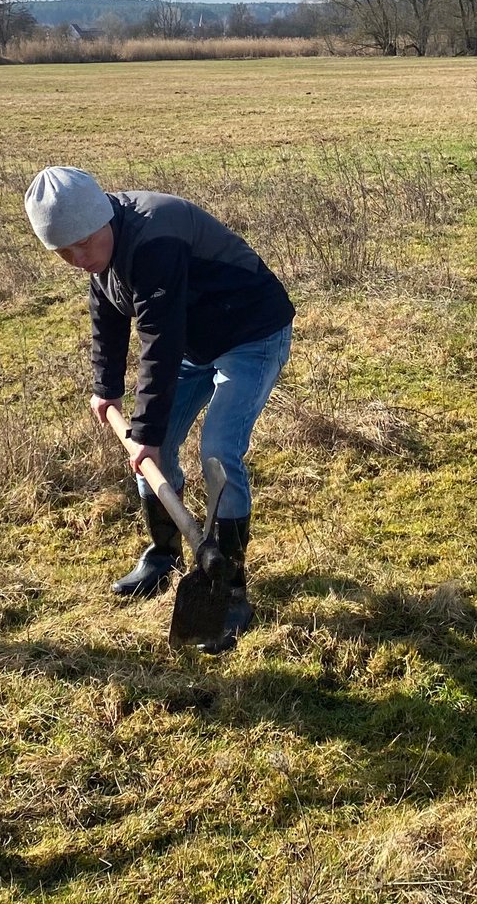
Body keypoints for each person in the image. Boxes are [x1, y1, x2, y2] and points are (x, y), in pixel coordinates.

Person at [24, 167, 294, 654]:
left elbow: (159, 342)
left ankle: (230, 586)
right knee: (156, 451)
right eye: (64, 252)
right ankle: (165, 552)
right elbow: (107, 312)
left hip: (250, 334)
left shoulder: (156, 235)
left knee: (218, 449)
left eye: (84, 244)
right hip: (196, 340)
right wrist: (107, 390)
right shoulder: (100, 249)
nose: (79, 258)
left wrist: (144, 429)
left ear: (103, 217)